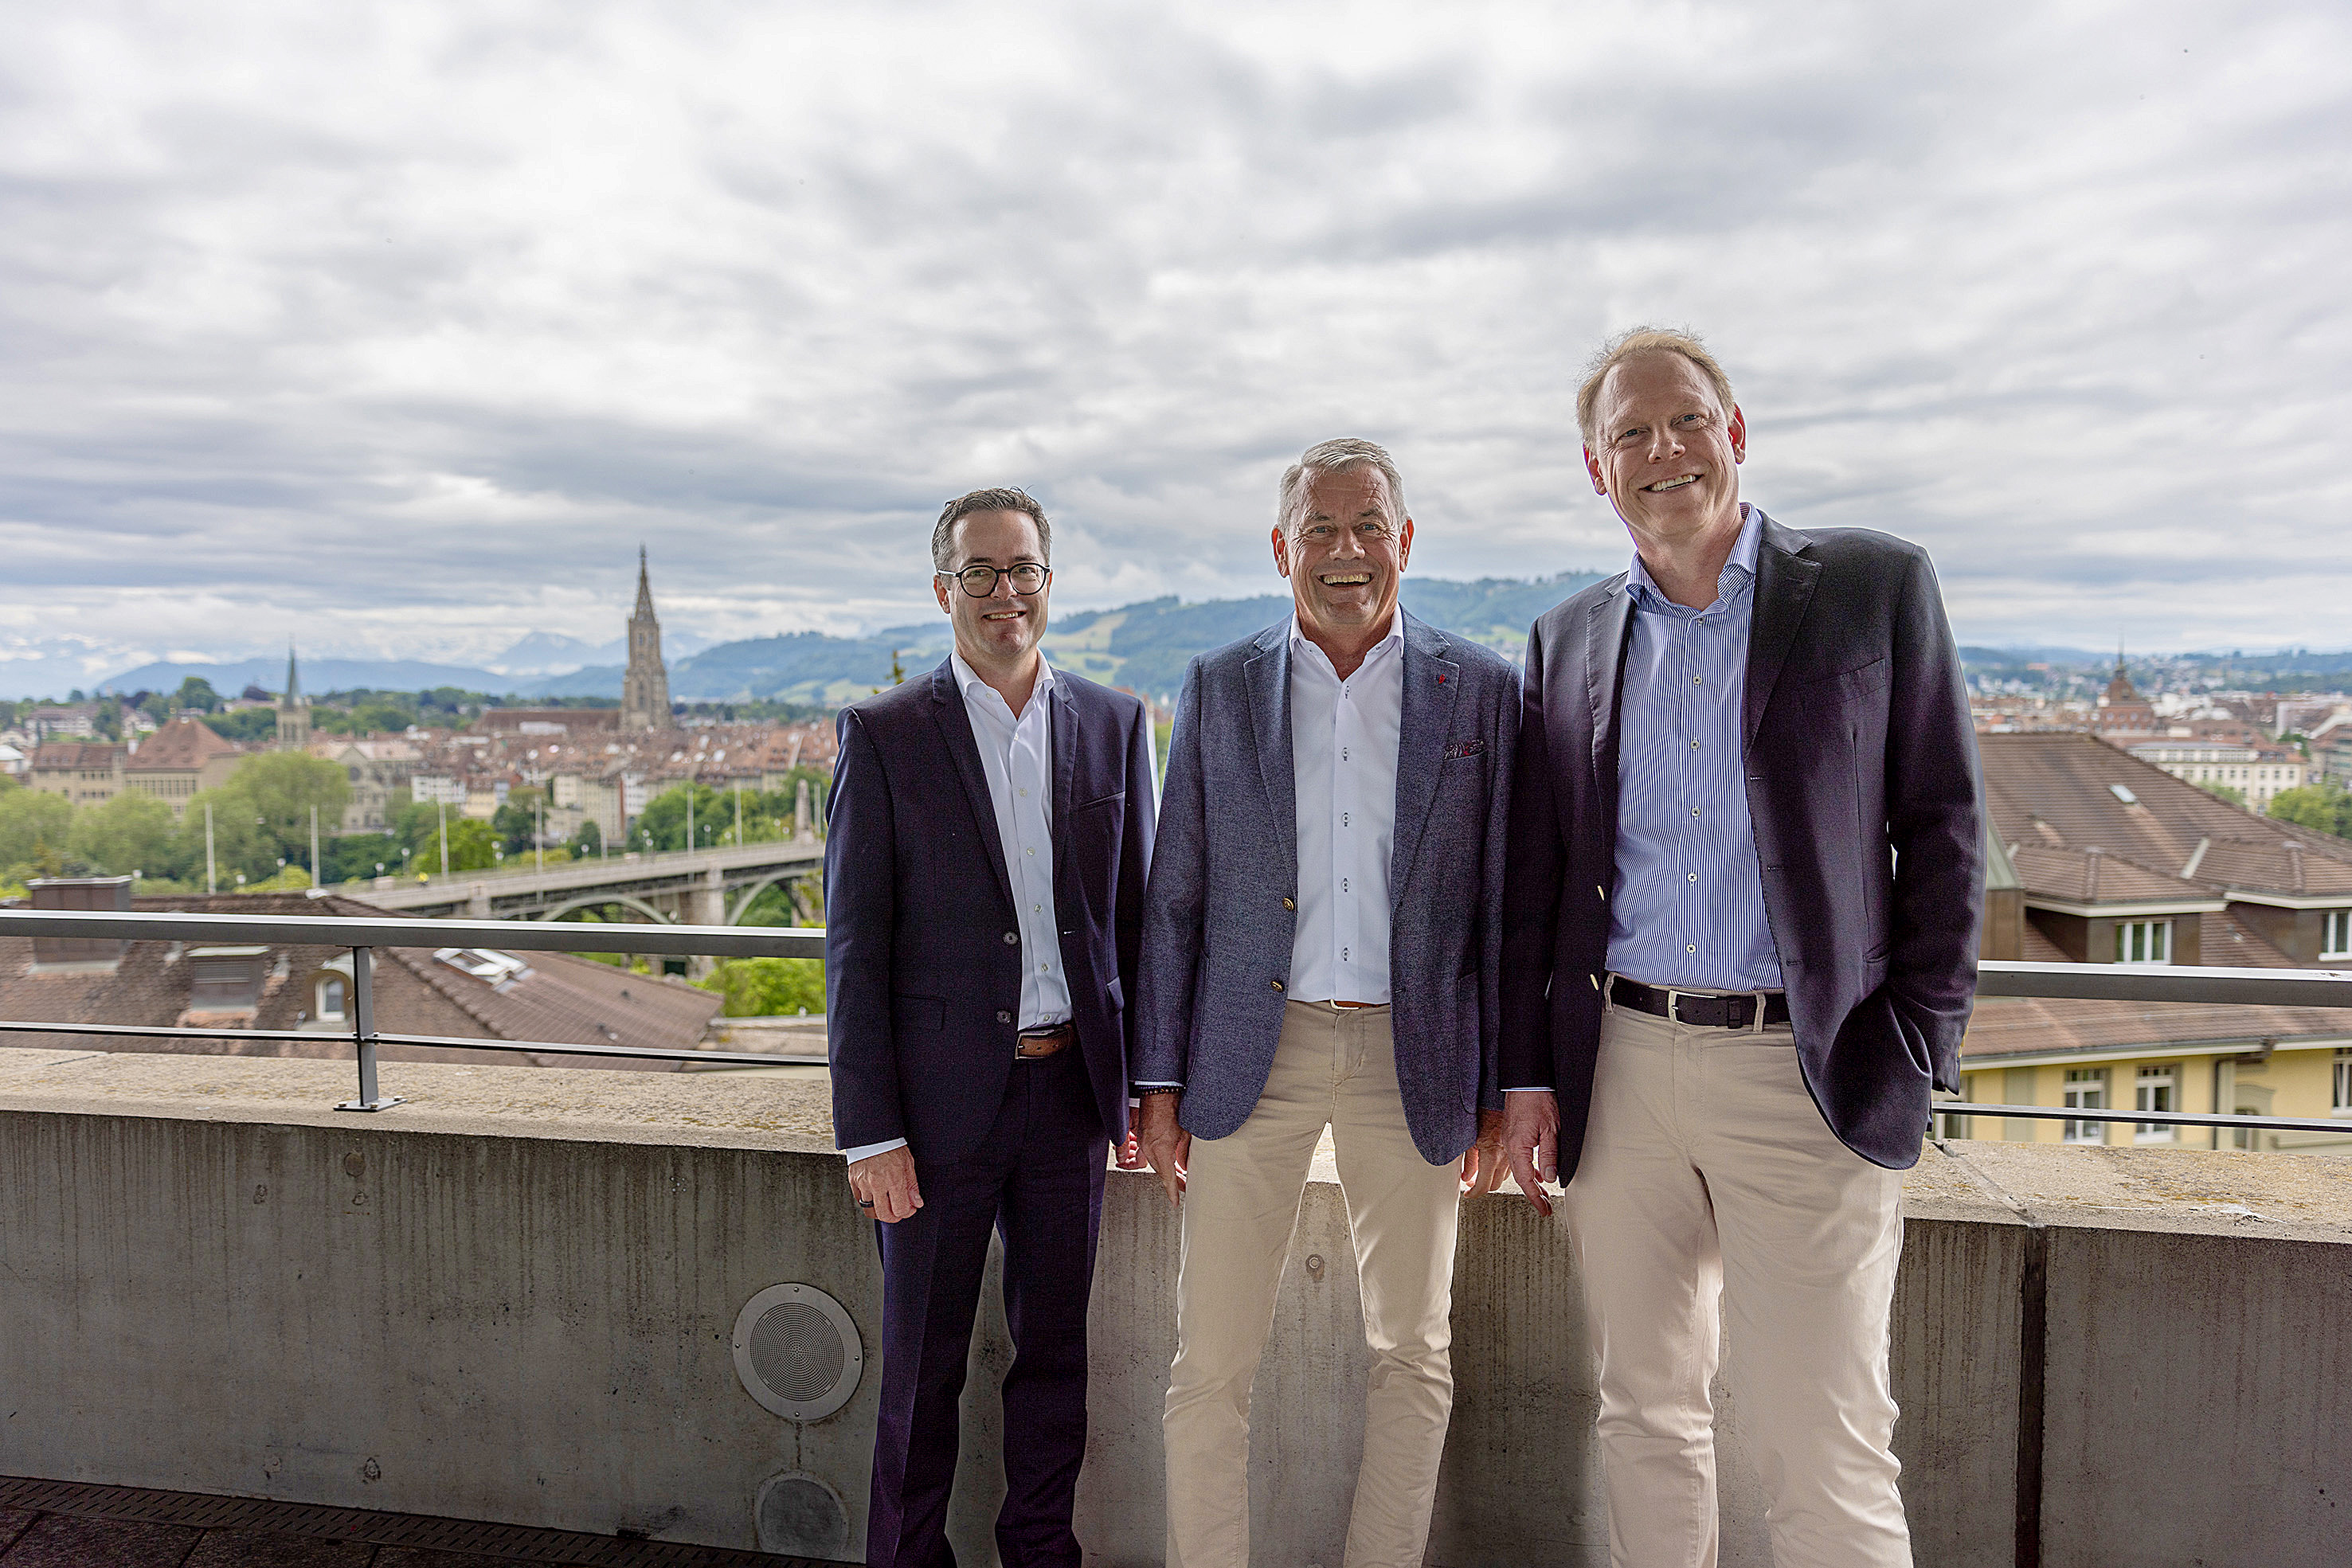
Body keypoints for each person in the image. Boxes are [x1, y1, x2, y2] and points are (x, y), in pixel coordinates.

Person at [1499, 329, 1982, 1567]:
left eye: (1686, 420)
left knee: (1820, 1435)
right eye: (1629, 433)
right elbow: (1536, 877)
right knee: (1643, 1412)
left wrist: (1916, 1045)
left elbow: (1943, 826)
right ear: (1595, 468)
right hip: (1620, 1065)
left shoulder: (1871, 585)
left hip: (1804, 1069)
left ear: (1736, 432)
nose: (1662, 450)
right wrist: (1529, 1073)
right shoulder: (1565, 638)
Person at [1133, 437, 1518, 1568]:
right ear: (1280, 547)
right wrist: (1157, 1081)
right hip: (1254, 1051)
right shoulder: (1219, 686)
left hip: (1418, 1053)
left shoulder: (1481, 689)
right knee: (1209, 1361)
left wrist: (1501, 1090)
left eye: (1367, 527)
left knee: (1414, 1351)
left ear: (1405, 539)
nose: (1345, 551)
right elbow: (1175, 896)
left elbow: (1502, 905)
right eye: (1320, 529)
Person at [824, 487, 1156, 1568]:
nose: (1003, 591)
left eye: (1022, 569)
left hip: (1071, 1104)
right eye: (980, 571)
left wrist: (1148, 1085)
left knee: (1055, 1361)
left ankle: (1040, 1552)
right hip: (932, 1112)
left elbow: (1137, 921)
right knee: (920, 1369)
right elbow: (854, 951)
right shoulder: (884, 735)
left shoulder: (1113, 722)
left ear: (1048, 582)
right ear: (943, 589)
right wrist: (871, 1132)